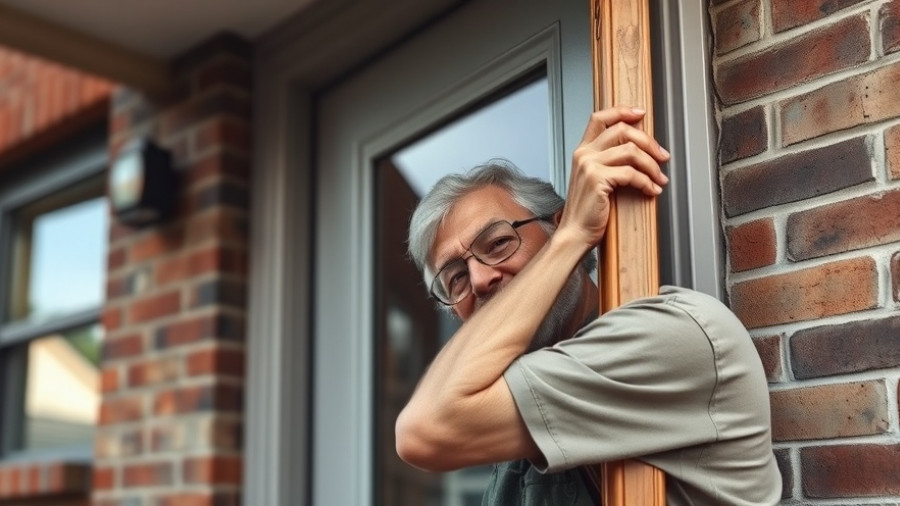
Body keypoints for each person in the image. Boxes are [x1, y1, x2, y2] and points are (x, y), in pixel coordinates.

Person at [395, 107, 781, 505]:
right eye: (456, 278)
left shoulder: (675, 335)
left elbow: (425, 431)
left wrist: (575, 236)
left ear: (558, 226)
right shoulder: (513, 406)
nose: (478, 280)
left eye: (498, 243)